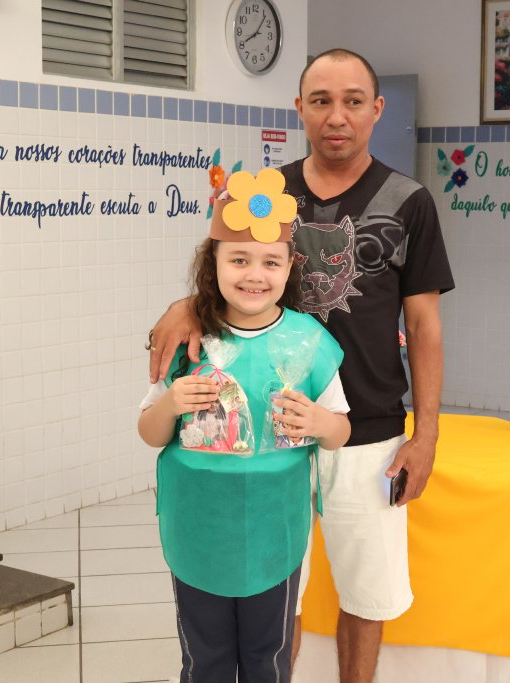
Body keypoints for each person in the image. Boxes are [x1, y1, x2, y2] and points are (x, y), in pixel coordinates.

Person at [149, 49, 455, 683]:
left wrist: (425, 435)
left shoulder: (410, 201)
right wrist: (183, 305)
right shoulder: (267, 193)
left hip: (364, 430)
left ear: (377, 109)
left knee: (365, 592)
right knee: (273, 593)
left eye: (352, 101)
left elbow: (425, 326)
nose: (336, 116)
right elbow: (226, 271)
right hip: (268, 440)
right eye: (321, 101)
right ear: (299, 109)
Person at [138, 168, 351, 683]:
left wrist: (320, 421)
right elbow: (149, 431)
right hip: (199, 528)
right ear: (212, 264)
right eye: (238, 260)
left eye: (270, 262)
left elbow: (340, 431)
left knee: (266, 659)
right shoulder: (190, 340)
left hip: (274, 531)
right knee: (205, 659)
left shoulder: (308, 342)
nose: (254, 275)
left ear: (289, 267)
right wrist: (171, 403)